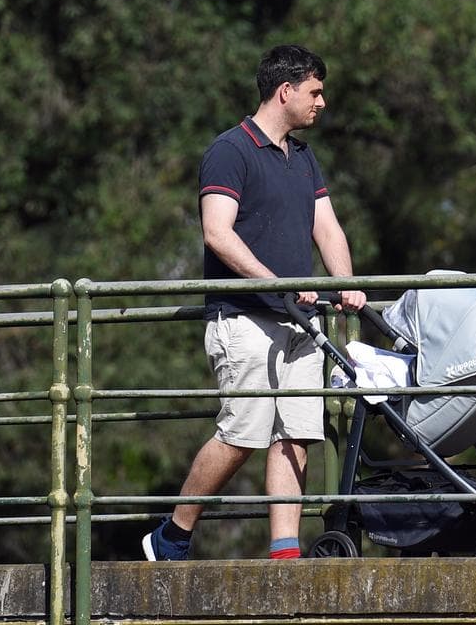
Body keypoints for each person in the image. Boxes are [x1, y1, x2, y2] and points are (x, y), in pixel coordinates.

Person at [142, 45, 367, 561]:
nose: (322, 103)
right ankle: (172, 534)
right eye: (315, 92)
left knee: (297, 434)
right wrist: (280, 284)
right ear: (285, 91)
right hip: (243, 318)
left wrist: (347, 283)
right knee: (242, 433)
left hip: (299, 321)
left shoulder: (304, 156)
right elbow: (217, 234)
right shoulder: (229, 151)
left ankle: (284, 551)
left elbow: (327, 226)